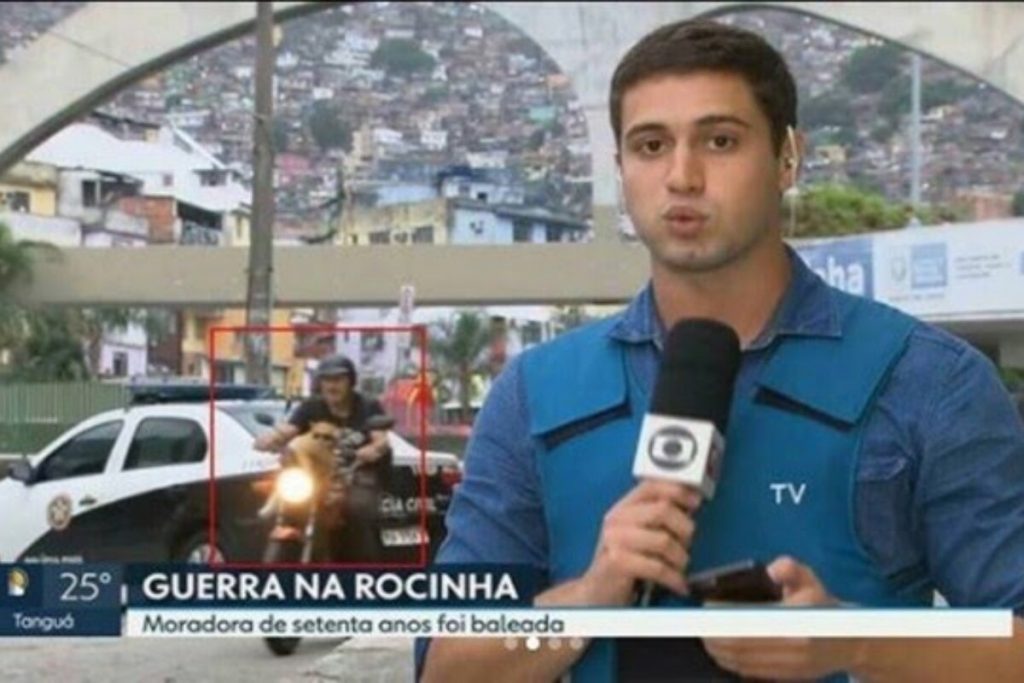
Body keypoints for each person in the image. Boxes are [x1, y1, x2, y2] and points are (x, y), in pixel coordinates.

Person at [418, 18, 1024, 683]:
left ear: (788, 157)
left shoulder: (931, 381)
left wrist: (855, 640)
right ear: (620, 169)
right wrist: (590, 595)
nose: (682, 175)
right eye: (650, 145)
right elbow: (446, 665)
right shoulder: (533, 394)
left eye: (721, 140)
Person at [255, 353, 392, 560]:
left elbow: (381, 440)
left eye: (338, 380)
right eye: (326, 380)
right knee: (284, 509)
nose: (331, 386)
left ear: (350, 382)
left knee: (357, 510)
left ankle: (364, 573)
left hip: (358, 473)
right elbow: (289, 429)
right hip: (318, 477)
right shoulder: (311, 407)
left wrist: (374, 449)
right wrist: (270, 439)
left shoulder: (367, 406)